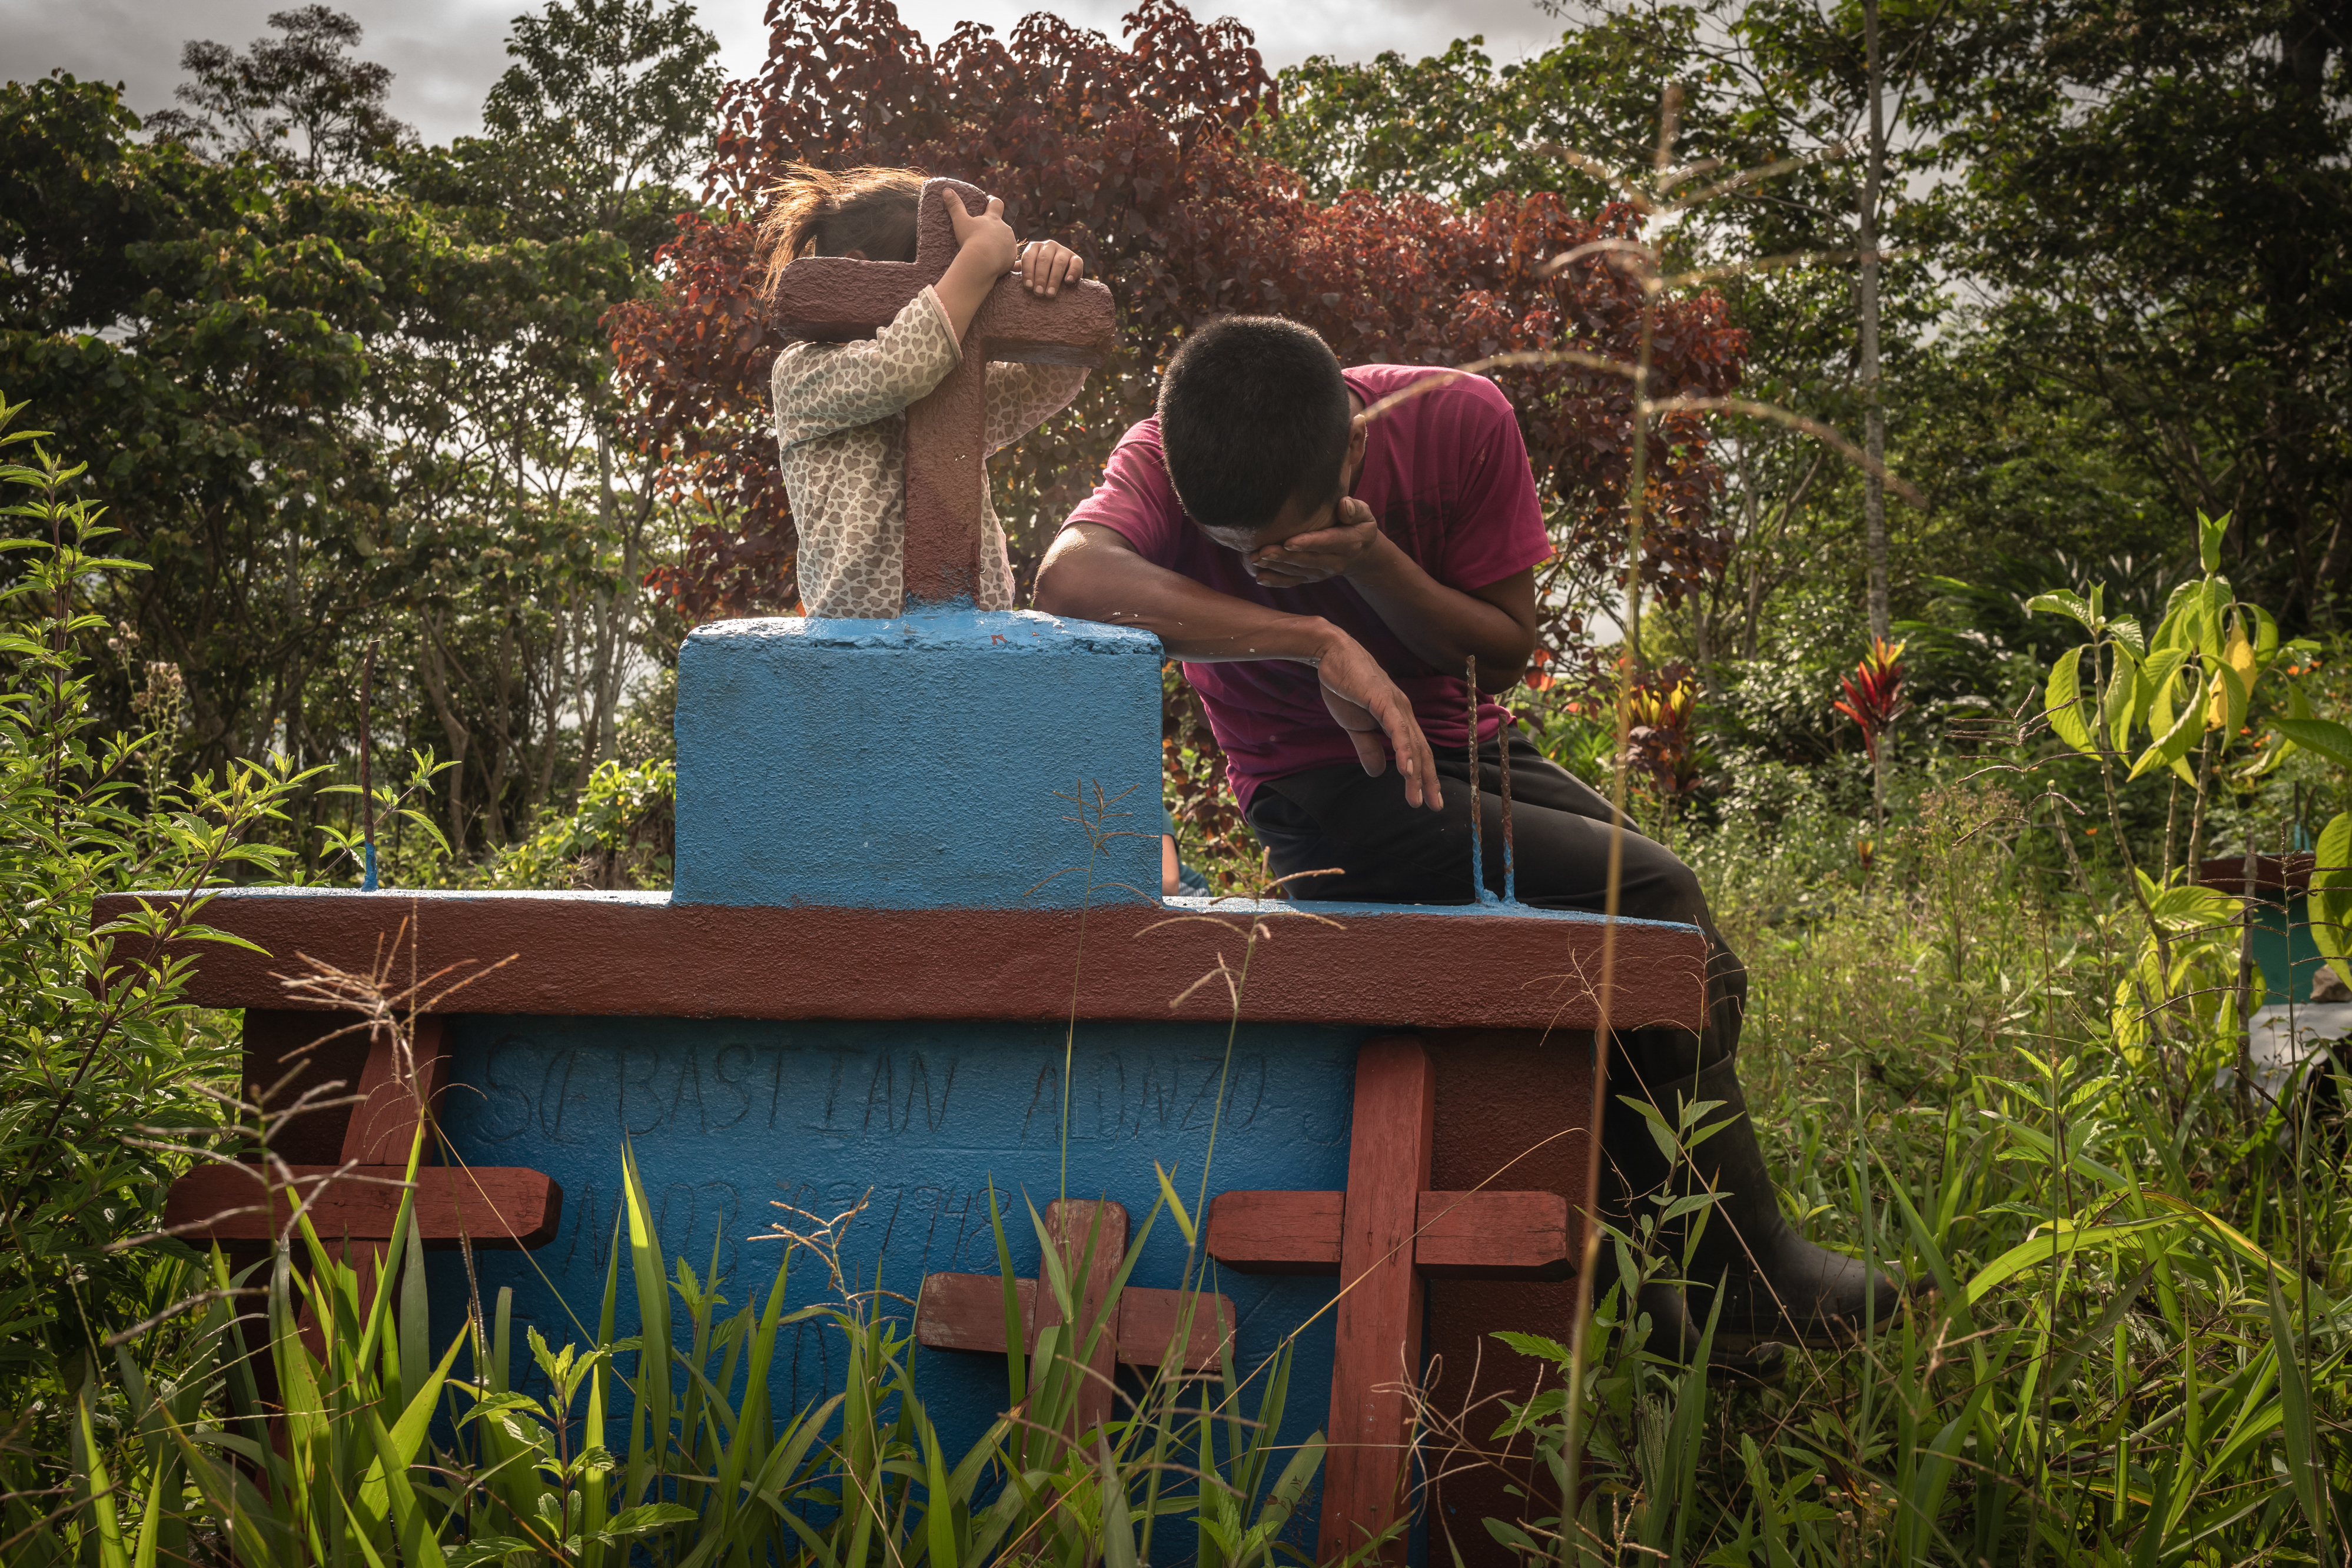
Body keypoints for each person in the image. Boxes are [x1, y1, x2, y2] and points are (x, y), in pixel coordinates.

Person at [1033, 315, 1897, 1361]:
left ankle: (1656, 1281)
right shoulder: (1170, 452)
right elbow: (1069, 579)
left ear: (1352, 448)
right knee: (1650, 897)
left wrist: (1374, 565)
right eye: (1238, 549)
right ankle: (1740, 1272)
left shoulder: (1457, 419)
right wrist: (1315, 636)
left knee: (1683, 941)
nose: (1261, 563)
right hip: (1320, 794)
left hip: (1471, 752)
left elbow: (1501, 652)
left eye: (1289, 542)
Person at [759, 164, 1092, 617]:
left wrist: (1048, 287)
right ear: (858, 274)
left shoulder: (953, 375)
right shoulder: (802, 373)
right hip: (858, 643)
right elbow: (900, 365)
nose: (971, 291)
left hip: (977, 628)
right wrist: (975, 263)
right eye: (943, 275)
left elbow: (1038, 385)